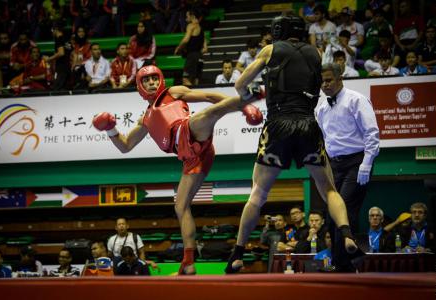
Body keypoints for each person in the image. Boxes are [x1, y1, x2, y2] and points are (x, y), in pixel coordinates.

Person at [92, 65, 264, 275]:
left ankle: (253, 96)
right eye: (147, 80)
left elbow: (210, 96)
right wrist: (110, 128)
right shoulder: (146, 119)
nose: (152, 83)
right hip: (191, 157)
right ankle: (188, 263)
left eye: (155, 78)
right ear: (140, 85)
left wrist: (244, 109)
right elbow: (125, 146)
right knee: (180, 206)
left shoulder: (172, 92)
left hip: (187, 131)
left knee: (207, 115)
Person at [225, 15, 358, 274]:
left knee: (258, 193)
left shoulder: (270, 49)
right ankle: (348, 235)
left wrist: (251, 94)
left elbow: (239, 83)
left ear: (279, 31)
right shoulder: (316, 52)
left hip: (278, 125)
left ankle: (238, 255)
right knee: (329, 189)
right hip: (308, 125)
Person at [315, 63, 380, 272]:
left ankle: (344, 264)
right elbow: (324, 141)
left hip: (357, 162)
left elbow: (372, 133)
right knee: (332, 213)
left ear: (339, 78)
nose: (325, 85)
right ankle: (347, 259)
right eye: (322, 82)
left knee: (346, 209)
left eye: (328, 80)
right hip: (334, 165)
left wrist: (367, 163)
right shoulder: (321, 108)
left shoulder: (356, 99)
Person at [175, 9, 207, 86]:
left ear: (192, 16)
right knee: (195, 81)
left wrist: (178, 49)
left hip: (192, 56)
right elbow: (205, 49)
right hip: (200, 58)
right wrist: (198, 54)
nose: (186, 19)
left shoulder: (191, 26)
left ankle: (191, 97)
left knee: (185, 80)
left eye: (187, 16)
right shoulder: (202, 30)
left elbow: (186, 40)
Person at [44, 22, 71, 91]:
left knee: (56, 89)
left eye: (52, 30)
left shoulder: (58, 39)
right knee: (65, 88)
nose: (51, 32)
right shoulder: (67, 39)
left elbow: (61, 53)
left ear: (56, 29)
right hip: (68, 67)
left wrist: (49, 59)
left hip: (61, 68)